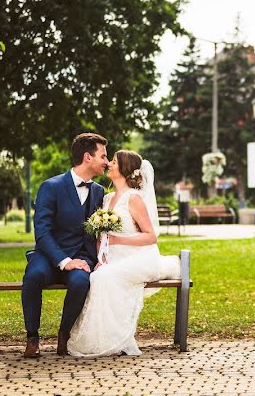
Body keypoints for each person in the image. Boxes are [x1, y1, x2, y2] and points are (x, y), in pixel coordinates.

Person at [67, 150, 179, 357]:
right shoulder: (108, 198)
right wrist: (101, 258)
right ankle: (103, 339)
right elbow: (101, 235)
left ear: (125, 168)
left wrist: (119, 240)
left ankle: (121, 339)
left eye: (114, 161)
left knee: (104, 277)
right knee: (99, 275)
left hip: (139, 257)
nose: (109, 163)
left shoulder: (133, 198)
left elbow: (150, 236)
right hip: (113, 258)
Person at [22, 133, 109, 358]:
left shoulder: (99, 192)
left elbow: (100, 233)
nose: (107, 162)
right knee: (33, 277)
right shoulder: (51, 187)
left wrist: (99, 259)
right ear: (88, 157)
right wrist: (64, 261)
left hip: (82, 256)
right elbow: (41, 231)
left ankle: (64, 335)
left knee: (81, 282)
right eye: (103, 156)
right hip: (49, 256)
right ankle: (32, 337)